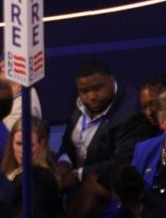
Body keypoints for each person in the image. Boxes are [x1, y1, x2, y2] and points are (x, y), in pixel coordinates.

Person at [56, 60, 146, 192]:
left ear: (111, 80)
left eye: (97, 88)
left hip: (110, 185)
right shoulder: (78, 100)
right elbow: (68, 140)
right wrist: (64, 160)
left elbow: (122, 161)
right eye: (84, 91)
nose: (91, 96)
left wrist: (79, 175)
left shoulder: (130, 113)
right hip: (75, 177)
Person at [0, 118, 61, 218]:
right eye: (19, 143)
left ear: (42, 144)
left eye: (29, 145)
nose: (23, 150)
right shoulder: (10, 170)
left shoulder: (40, 179)